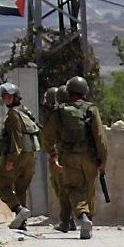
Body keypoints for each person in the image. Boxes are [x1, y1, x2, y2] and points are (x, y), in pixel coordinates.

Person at [41, 76, 108, 240]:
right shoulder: (91, 109)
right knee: (89, 189)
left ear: (68, 92)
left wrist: (53, 154)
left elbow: (46, 138)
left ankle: (83, 217)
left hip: (68, 158)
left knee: (73, 188)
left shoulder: (60, 112)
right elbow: (100, 137)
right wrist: (103, 160)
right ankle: (88, 221)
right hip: (90, 158)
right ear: (84, 91)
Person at [0, 82, 40, 230]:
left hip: (18, 156)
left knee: (2, 186)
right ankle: (21, 222)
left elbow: (16, 138)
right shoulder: (25, 113)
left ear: (16, 97)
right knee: (21, 188)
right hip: (31, 156)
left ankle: (19, 210)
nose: (6, 99)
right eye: (4, 97)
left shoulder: (14, 115)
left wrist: (10, 160)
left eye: (9, 96)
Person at [40, 85, 75, 233]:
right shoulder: (71, 114)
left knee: (61, 189)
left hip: (60, 156)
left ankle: (66, 221)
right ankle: (71, 219)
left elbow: (49, 139)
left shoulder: (57, 116)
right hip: (72, 156)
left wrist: (52, 154)